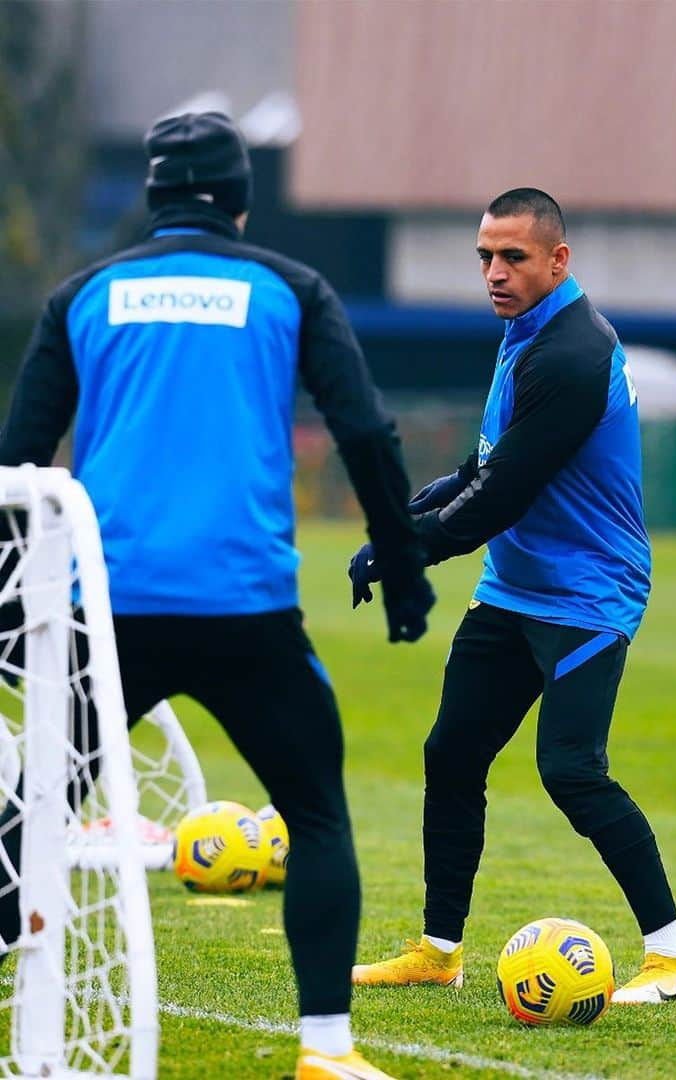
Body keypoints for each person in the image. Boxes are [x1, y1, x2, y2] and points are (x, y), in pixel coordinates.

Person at [0, 111, 434, 1080]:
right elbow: (364, 434)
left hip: (102, 611)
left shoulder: (83, 295)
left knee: (31, 812)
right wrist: (402, 570)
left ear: (154, 199)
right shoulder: (290, 288)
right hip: (245, 610)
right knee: (315, 815)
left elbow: (16, 464)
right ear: (242, 199)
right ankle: (325, 1051)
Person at [347, 187, 676, 1005]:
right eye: (485, 256)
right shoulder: (525, 333)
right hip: (514, 588)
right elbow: (479, 470)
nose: (495, 272)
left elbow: (501, 496)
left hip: (587, 594)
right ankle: (439, 949)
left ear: (558, 259)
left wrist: (408, 554)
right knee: (452, 753)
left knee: (572, 770)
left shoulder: (572, 354)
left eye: (513, 256)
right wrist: (397, 526)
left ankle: (674, 960)